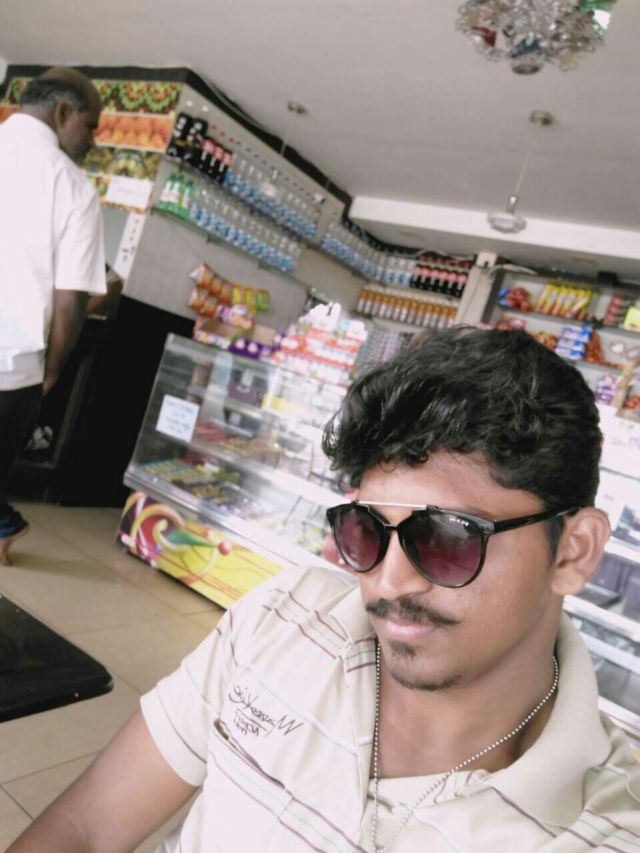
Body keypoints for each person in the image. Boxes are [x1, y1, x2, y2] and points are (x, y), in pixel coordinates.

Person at [7, 328, 640, 852]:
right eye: (367, 531)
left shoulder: (606, 828)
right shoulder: (282, 618)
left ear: (573, 551)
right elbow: (87, 827)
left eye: (448, 537)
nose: (387, 581)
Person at [0, 67, 106, 564]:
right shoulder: (73, 189)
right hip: (11, 368)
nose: (92, 139)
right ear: (63, 113)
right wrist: (51, 372)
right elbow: (71, 299)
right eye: (91, 125)